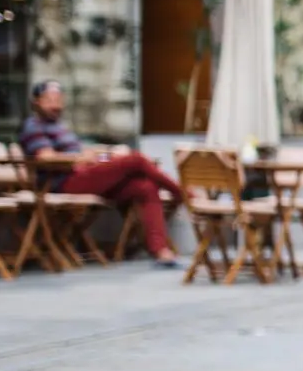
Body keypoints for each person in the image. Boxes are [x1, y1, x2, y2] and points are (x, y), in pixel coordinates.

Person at [18, 80, 185, 267]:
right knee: (136, 160)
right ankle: (183, 193)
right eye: (49, 100)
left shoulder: (60, 127)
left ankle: (160, 250)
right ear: (36, 102)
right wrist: (78, 158)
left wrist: (107, 154)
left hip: (85, 176)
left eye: (58, 100)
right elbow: (45, 158)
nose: (55, 105)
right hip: (63, 183)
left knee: (145, 187)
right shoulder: (33, 126)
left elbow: (84, 153)